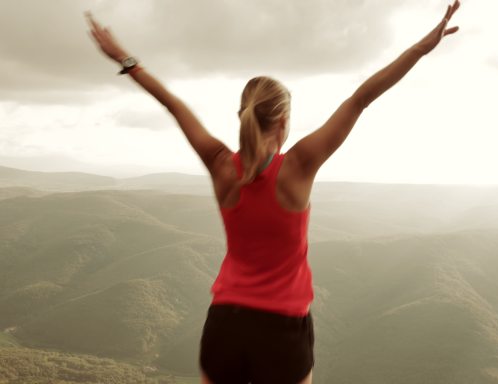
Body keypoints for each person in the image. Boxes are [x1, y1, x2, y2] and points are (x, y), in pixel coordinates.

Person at [86, 2, 460, 383]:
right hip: (283, 329)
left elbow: (172, 104)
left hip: (225, 325)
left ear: (241, 116)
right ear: (282, 122)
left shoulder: (219, 164)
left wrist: (125, 59)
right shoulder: (298, 166)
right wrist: (421, 48)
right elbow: (361, 99)